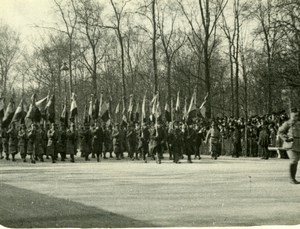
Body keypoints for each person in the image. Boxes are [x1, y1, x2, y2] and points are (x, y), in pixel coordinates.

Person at [278, 108, 300, 184]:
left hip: (298, 145)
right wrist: (286, 138)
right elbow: (280, 132)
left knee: (296, 161)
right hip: (290, 145)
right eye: (294, 115)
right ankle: (292, 179)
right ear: (291, 115)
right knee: (294, 160)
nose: (296, 117)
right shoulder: (287, 123)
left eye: (297, 115)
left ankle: (293, 178)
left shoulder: (299, 123)